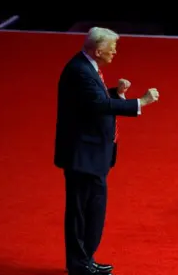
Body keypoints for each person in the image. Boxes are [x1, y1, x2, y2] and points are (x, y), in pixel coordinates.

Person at [54, 27, 160, 275]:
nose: (115, 52)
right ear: (98, 50)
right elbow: (97, 105)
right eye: (112, 47)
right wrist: (140, 102)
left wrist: (116, 93)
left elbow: (93, 101)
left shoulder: (86, 67)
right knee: (81, 213)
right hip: (83, 157)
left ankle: (86, 260)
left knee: (93, 210)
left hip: (92, 156)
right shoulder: (79, 71)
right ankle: (80, 264)